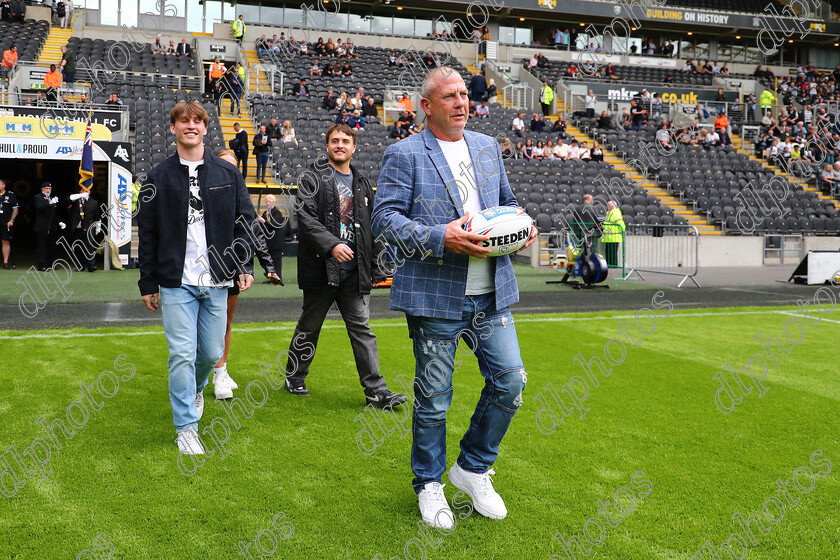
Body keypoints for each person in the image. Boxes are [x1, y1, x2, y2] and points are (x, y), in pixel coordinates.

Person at [372, 66, 537, 530]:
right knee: (434, 400)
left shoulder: (486, 147)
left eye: (465, 94)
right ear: (427, 106)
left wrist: (522, 226)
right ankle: (429, 484)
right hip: (436, 295)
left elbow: (507, 202)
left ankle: (472, 468)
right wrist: (439, 237)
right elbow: (384, 220)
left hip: (491, 293)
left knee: (510, 383)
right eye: (450, 96)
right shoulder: (403, 154)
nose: (462, 102)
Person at [137, 101, 276, 455]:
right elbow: (148, 233)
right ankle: (186, 427)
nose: (190, 126)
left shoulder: (228, 175)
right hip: (175, 281)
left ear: (205, 127)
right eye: (183, 121)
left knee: (212, 352)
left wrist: (244, 265)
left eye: (197, 121)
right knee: (182, 353)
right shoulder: (157, 177)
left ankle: (197, 388)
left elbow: (245, 223)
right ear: (173, 128)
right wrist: (147, 282)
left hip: (217, 279)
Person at [282, 122, 407, 410]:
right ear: (327, 146)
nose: (340, 145)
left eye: (345, 141)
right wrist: (332, 245)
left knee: (362, 330)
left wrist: (378, 267)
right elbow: (306, 220)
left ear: (353, 147)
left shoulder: (362, 183)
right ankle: (295, 376)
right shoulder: (311, 178)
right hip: (322, 268)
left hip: (355, 272)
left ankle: (376, 392)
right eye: (334, 140)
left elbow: (372, 229)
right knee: (310, 327)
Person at [210, 149, 281, 400]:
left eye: (234, 167)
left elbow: (255, 235)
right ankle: (202, 375)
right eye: (223, 165)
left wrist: (267, 267)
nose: (229, 171)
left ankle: (221, 372)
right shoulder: (200, 194)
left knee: (225, 322)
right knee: (200, 326)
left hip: (231, 268)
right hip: (200, 268)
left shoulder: (242, 200)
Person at [66, 188, 101, 272]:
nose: (85, 192)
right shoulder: (75, 200)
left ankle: (91, 265)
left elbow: (97, 216)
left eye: (87, 191)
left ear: (90, 192)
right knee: (78, 247)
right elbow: (68, 199)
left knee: (89, 246)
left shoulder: (93, 202)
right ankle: (80, 266)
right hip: (78, 228)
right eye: (82, 190)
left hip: (89, 227)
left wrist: (98, 226)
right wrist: (80, 196)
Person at [259, 194, 289, 285]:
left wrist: (262, 220)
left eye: (270, 201)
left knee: (276, 262)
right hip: (268, 242)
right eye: (266, 202)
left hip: (276, 242)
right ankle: (271, 278)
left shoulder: (277, 213)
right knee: (270, 261)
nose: (268, 203)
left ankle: (278, 278)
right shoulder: (265, 213)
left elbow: (273, 225)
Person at [33, 182, 61, 271]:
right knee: (42, 246)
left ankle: (51, 264)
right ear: (42, 189)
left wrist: (59, 222)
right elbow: (39, 207)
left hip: (51, 225)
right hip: (42, 225)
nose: (48, 190)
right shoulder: (38, 197)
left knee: (51, 245)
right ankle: (42, 265)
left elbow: (53, 213)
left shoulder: (52, 198)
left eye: (49, 189)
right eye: (46, 188)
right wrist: (49, 203)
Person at [0, 178, 18, 269]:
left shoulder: (10, 195)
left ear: (3, 185)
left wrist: (11, 220)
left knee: (5, 241)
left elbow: (15, 209)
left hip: (5, 222)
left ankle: (5, 262)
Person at [602, 201, 625, 267]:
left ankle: (614, 266)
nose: (607, 207)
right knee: (608, 253)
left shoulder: (615, 214)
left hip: (614, 237)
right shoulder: (609, 213)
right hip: (609, 237)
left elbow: (621, 224)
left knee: (612, 254)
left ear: (612, 206)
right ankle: (609, 265)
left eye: (608, 206)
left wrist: (622, 231)